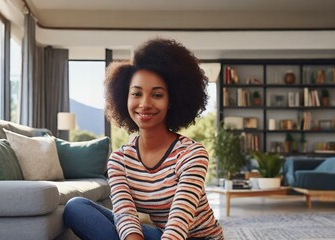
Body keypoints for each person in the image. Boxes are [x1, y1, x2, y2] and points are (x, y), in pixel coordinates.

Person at [63, 38, 223, 240]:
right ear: (124, 98)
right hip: (159, 235)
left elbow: (178, 223)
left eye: (157, 95)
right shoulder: (119, 161)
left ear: (171, 101)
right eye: (136, 93)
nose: (145, 104)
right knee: (76, 207)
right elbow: (125, 216)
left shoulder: (192, 154)